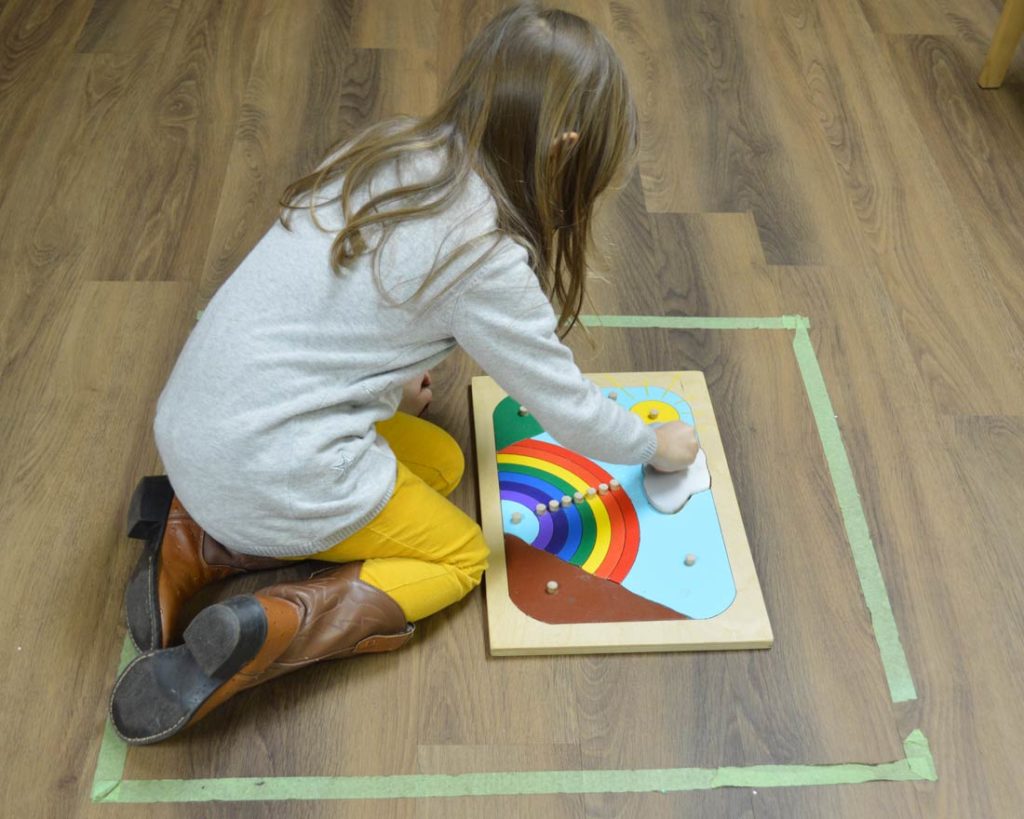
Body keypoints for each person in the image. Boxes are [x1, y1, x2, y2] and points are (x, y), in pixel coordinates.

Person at [110, 1, 699, 745]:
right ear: (566, 150)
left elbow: (326, 304)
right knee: (461, 555)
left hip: (202, 421)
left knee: (445, 459)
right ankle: (278, 623)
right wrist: (655, 446)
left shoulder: (391, 149)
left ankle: (200, 530)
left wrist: (391, 386)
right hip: (265, 460)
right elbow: (567, 408)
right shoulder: (484, 253)